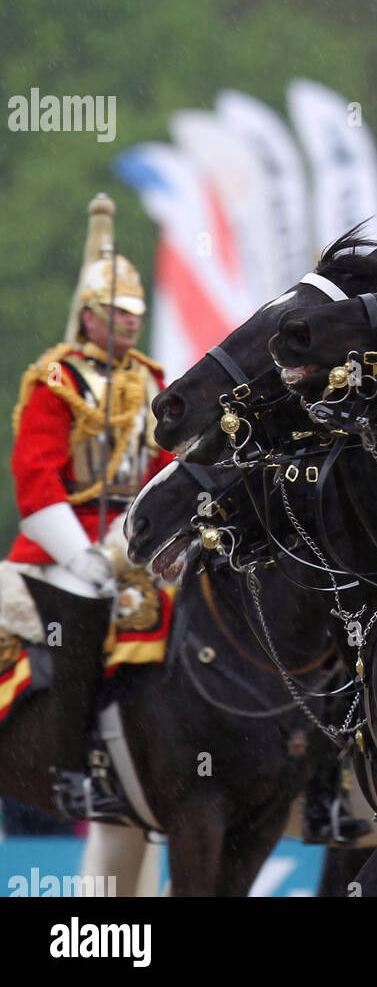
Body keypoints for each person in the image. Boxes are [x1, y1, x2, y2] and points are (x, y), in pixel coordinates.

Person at [6, 195, 171, 869]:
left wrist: (152, 542)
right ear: (90, 315)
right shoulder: (54, 382)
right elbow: (36, 479)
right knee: (79, 617)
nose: (130, 328)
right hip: (61, 544)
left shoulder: (156, 382)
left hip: (136, 538)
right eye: (118, 316)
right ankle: (74, 762)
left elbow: (164, 472)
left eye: (136, 317)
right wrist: (83, 556)